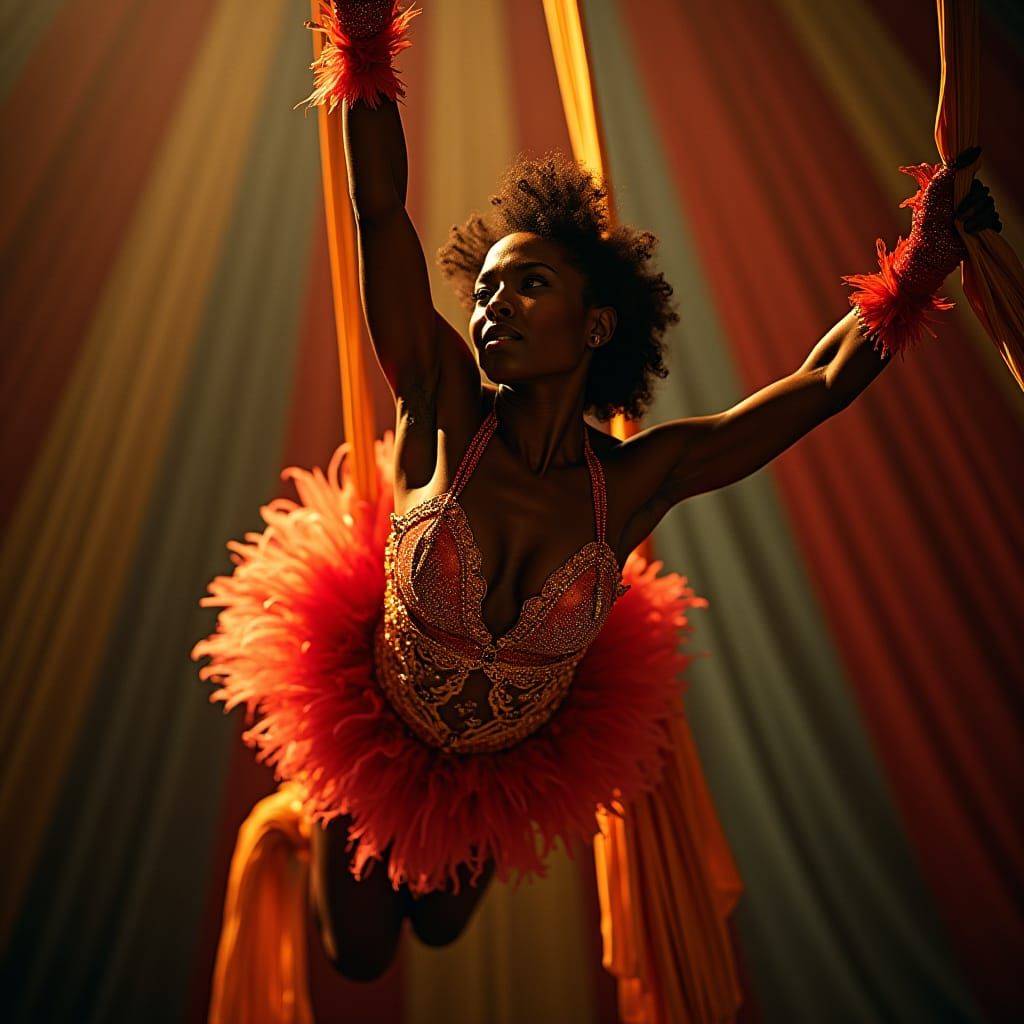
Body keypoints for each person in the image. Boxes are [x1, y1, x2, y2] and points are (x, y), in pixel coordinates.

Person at [202, 0, 1001, 988]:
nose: (492, 305)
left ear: (594, 327)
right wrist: (364, 42)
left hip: (499, 765)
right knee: (360, 955)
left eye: (526, 286)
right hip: (373, 722)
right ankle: (307, 812)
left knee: (444, 930)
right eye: (486, 290)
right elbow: (378, 210)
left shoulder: (632, 481)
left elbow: (819, 387)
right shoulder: (443, 400)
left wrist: (922, 257)